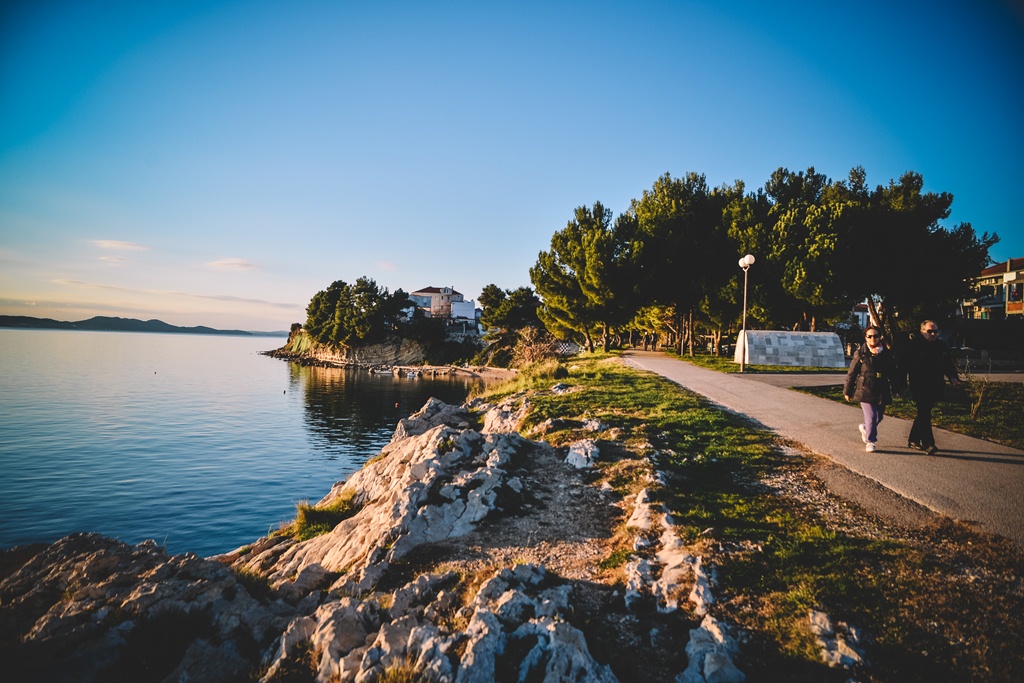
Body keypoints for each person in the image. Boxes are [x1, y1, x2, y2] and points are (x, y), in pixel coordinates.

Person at [901, 320, 959, 455]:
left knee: (924, 412)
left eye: (935, 331)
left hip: (935, 385)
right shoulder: (913, 346)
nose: (933, 334)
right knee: (925, 412)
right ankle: (928, 443)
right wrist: (901, 385)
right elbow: (903, 366)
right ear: (922, 332)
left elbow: (947, 363)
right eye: (929, 331)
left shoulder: (941, 346)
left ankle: (913, 439)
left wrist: (952, 376)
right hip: (918, 384)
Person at [844, 325, 902, 452]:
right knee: (871, 417)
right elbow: (852, 373)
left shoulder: (886, 353)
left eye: (875, 336)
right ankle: (870, 441)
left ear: (879, 337)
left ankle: (865, 428)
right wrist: (847, 390)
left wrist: (896, 389)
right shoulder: (861, 353)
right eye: (869, 336)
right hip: (865, 388)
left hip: (881, 389)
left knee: (878, 417)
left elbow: (892, 372)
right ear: (865, 338)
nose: (872, 339)